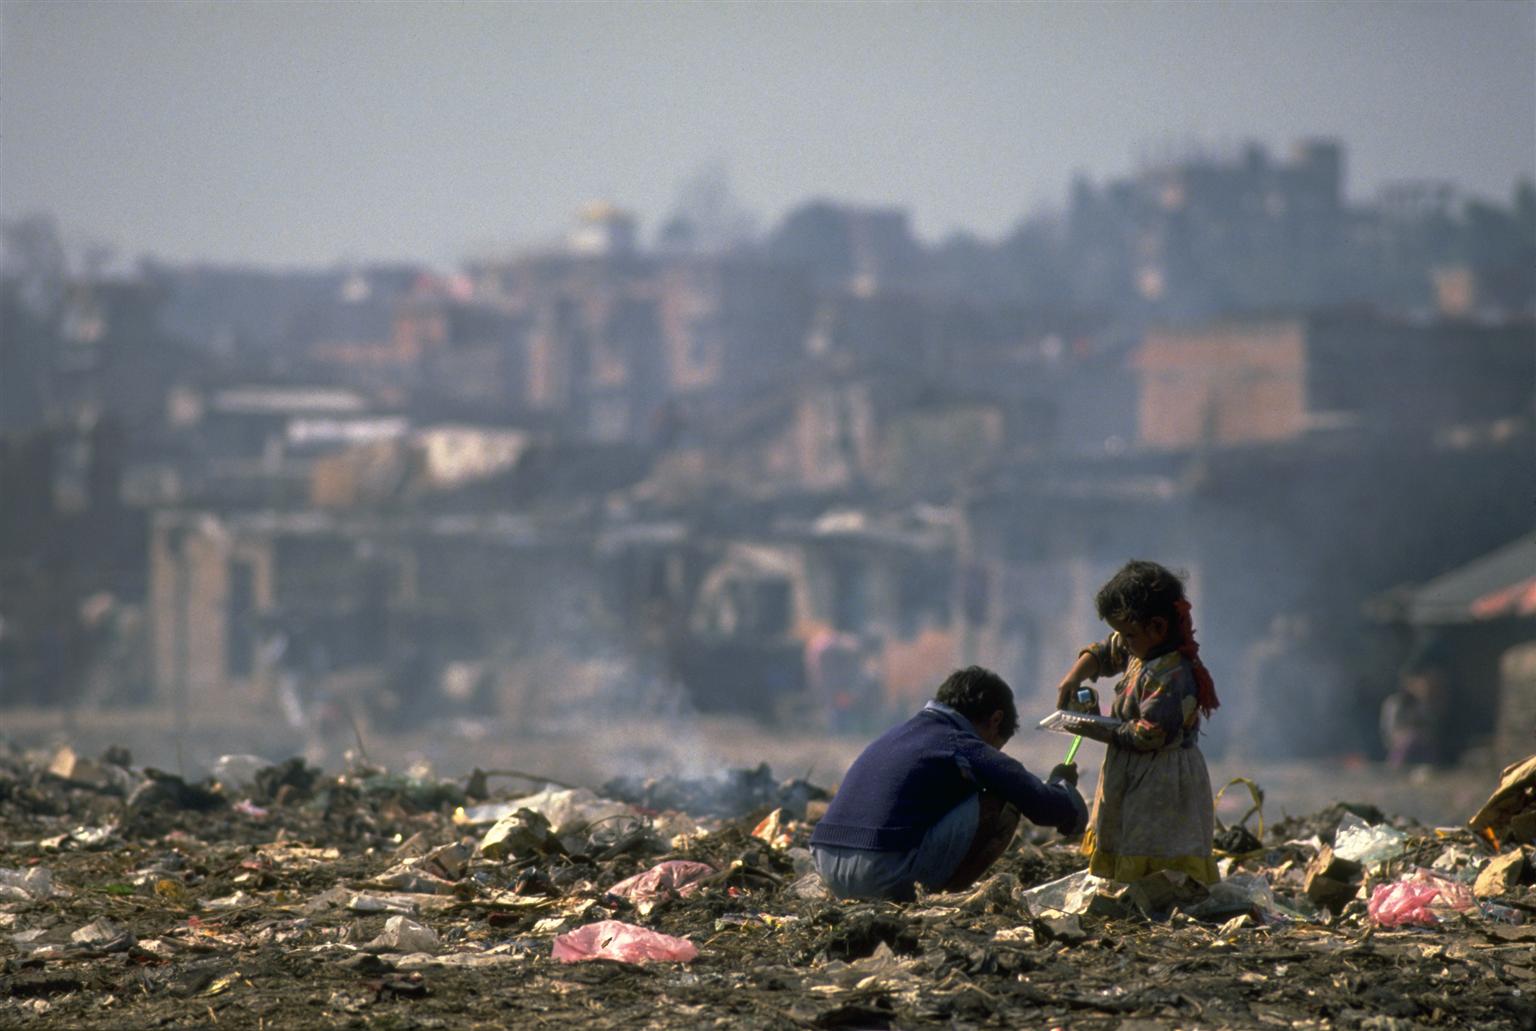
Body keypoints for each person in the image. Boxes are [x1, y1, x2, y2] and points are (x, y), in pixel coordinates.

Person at [810, 665, 1088, 902]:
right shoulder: (961, 743)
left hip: (826, 865)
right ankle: (940, 896)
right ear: (995, 720)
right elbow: (1044, 806)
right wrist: (1063, 786)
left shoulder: (897, 735)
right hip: (879, 871)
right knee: (1001, 799)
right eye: (997, 745)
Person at [1054, 560, 1220, 884]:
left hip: (1160, 778)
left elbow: (1149, 735)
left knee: (1152, 850)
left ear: (1157, 627)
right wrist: (1073, 677)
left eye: (1128, 634)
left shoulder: (1172, 675)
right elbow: (1105, 652)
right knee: (1123, 836)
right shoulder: (1139, 645)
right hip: (1129, 768)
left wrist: (1092, 726)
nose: (1123, 641)